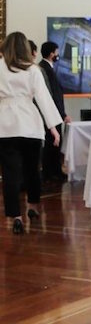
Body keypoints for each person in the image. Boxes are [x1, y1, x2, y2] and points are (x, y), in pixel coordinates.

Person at [0, 32, 63, 234]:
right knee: (32, 170)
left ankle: (15, 216)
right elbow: (44, 99)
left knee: (10, 174)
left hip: (5, 125)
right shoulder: (33, 70)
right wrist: (53, 128)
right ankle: (33, 207)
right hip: (30, 124)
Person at [39, 41, 70, 182]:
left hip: (54, 112)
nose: (58, 55)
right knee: (53, 144)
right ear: (52, 53)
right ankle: (52, 173)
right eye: (57, 52)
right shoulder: (45, 69)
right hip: (53, 113)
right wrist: (62, 114)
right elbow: (53, 95)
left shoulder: (47, 67)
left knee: (54, 144)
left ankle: (53, 171)